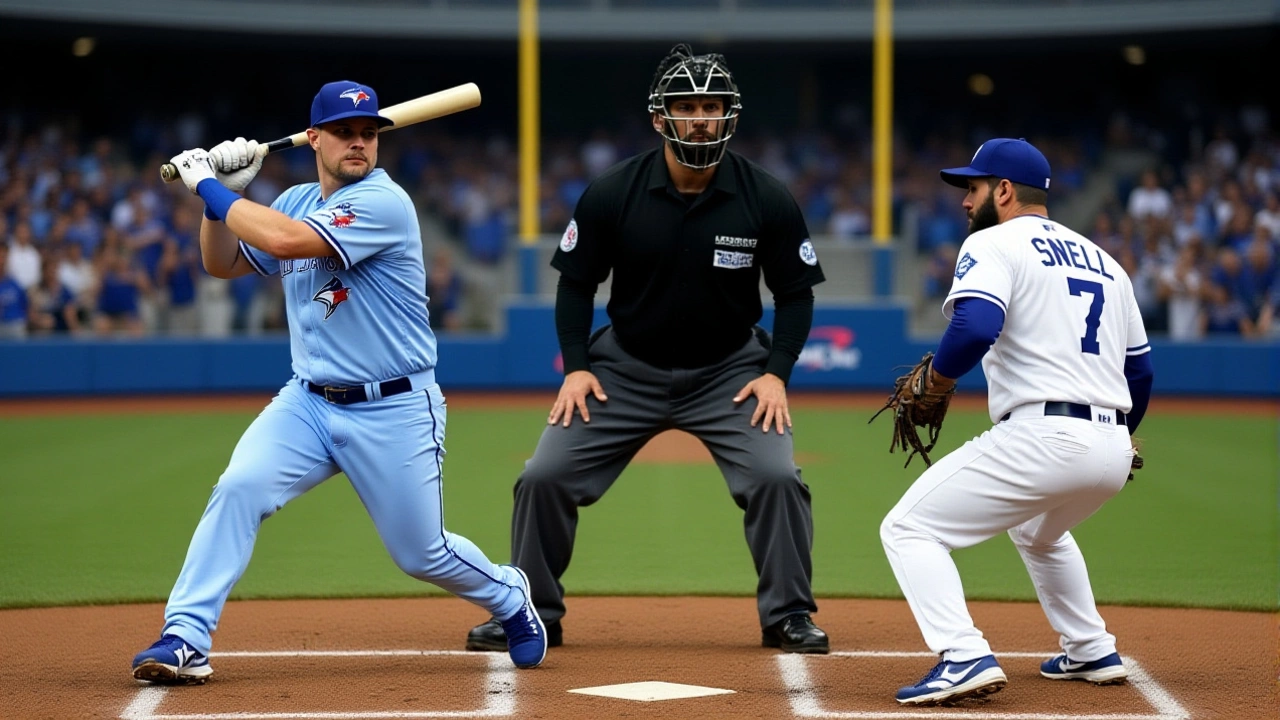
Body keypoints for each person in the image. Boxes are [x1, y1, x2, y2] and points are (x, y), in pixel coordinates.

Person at [130, 80, 547, 685]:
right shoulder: (297, 199)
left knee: (420, 553)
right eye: (345, 132)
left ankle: (510, 595)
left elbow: (279, 240)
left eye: (369, 133)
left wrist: (210, 185)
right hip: (308, 401)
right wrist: (214, 206)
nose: (359, 143)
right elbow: (219, 263)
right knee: (239, 486)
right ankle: (185, 635)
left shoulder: (385, 203)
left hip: (394, 407)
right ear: (315, 139)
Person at [464, 44, 830, 656]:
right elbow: (576, 284)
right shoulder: (614, 191)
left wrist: (776, 375)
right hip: (624, 369)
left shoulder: (764, 196)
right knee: (543, 476)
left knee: (776, 477)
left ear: (729, 116)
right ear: (661, 118)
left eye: (712, 107)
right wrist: (577, 368)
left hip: (730, 372)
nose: (700, 120)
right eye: (686, 107)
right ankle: (530, 612)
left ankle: (788, 615)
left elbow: (796, 295)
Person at [880, 138, 1153, 706]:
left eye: (973, 188)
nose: (964, 202)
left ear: (1003, 191)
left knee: (908, 528)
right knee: (1038, 531)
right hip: (1110, 445)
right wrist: (1124, 436)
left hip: (1043, 432)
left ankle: (963, 655)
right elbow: (1141, 372)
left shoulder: (994, 243)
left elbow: (975, 326)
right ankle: (1090, 648)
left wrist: (939, 381)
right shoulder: (1109, 263)